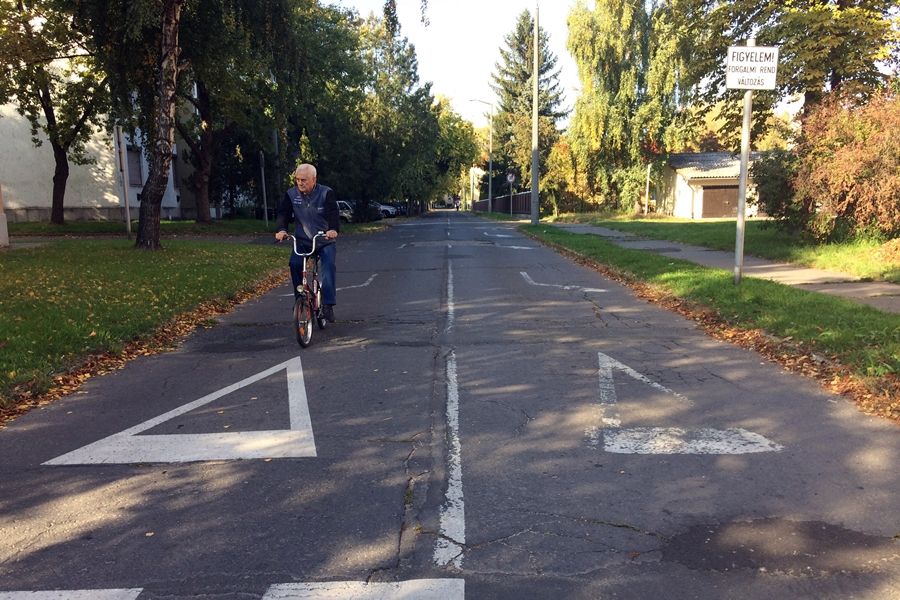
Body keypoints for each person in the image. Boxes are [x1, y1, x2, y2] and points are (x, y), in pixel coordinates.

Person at [275, 163, 339, 322]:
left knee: (328, 265)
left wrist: (333, 229)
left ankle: (328, 305)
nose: (300, 183)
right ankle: (300, 300)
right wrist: (282, 230)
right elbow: (283, 213)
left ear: (314, 179)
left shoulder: (326, 193)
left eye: (304, 180)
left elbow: (333, 213)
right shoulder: (291, 194)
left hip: (324, 240)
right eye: (297, 180)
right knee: (294, 264)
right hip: (302, 241)